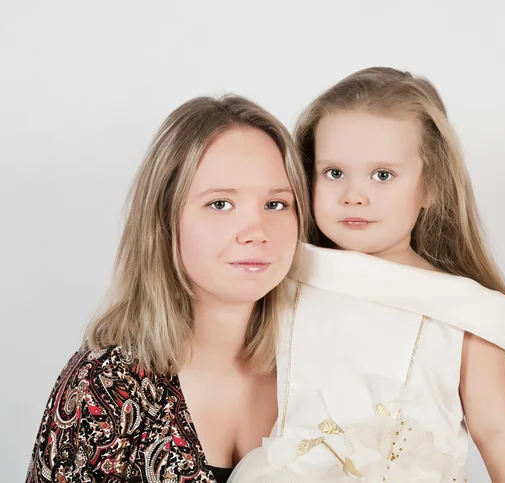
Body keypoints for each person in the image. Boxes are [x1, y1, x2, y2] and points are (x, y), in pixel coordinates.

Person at [229, 67, 505, 482]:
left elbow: (500, 431)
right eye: (334, 173)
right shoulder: (288, 274)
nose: (354, 195)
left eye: (382, 175)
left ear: (431, 186)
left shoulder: (466, 309)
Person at [25, 94, 310, 483]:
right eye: (221, 204)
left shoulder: (316, 365)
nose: (256, 232)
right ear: (164, 218)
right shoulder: (105, 389)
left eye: (276, 204)